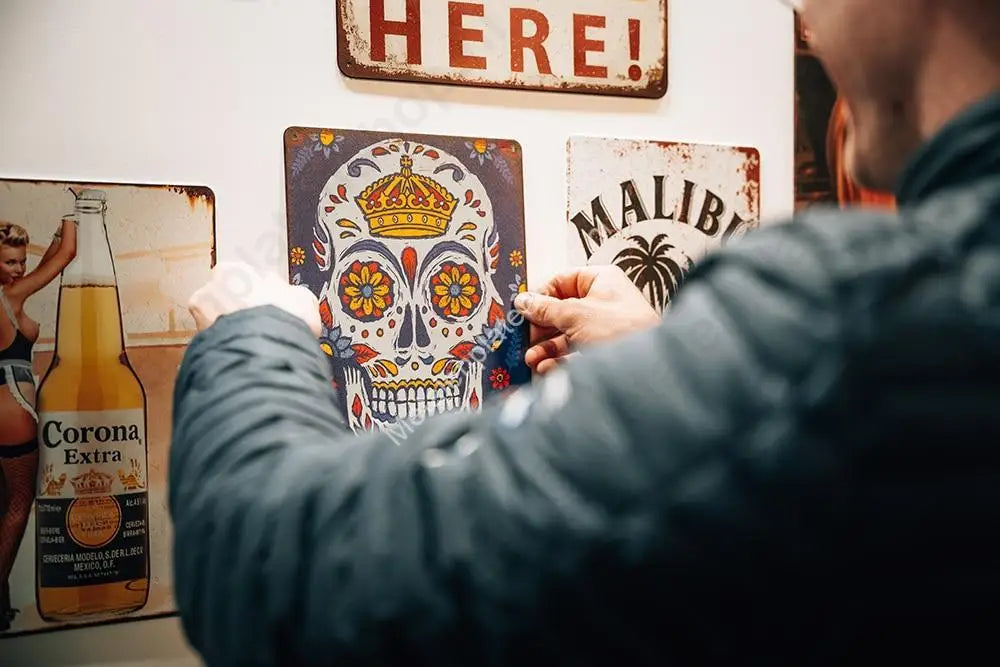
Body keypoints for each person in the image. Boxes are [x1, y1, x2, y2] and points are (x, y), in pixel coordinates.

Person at [169, 0, 1000, 664]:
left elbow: (285, 577)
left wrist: (257, 334)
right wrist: (673, 359)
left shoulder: (846, 321)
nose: (803, 19)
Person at [0, 217, 77, 631]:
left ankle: (2, 604)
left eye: (21, 261)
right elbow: (67, 255)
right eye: (10, 262)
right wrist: (74, 210)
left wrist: (46, 245)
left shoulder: (12, 294)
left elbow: (47, 264)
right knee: (17, 507)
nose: (18, 270)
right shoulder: (9, 298)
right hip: (14, 408)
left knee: (1, 508)